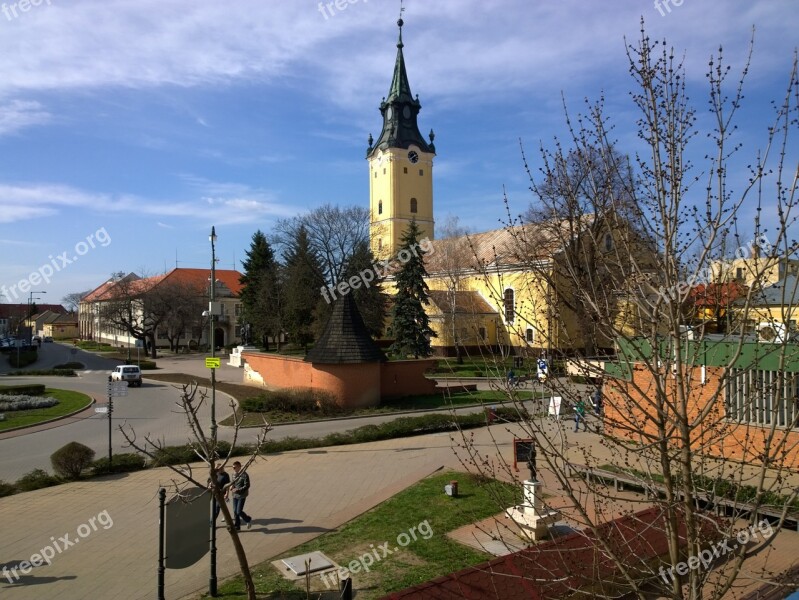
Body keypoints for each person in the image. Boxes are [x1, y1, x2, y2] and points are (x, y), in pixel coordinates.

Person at [227, 460, 253, 531]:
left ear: (239, 467)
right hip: (234, 495)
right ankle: (237, 526)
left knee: (239, 511)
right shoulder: (233, 474)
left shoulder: (244, 475)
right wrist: (231, 486)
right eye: (233, 467)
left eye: (235, 467)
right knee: (235, 511)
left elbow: (247, 485)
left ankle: (248, 519)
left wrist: (238, 490)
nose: (233, 469)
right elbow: (232, 482)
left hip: (241, 495)